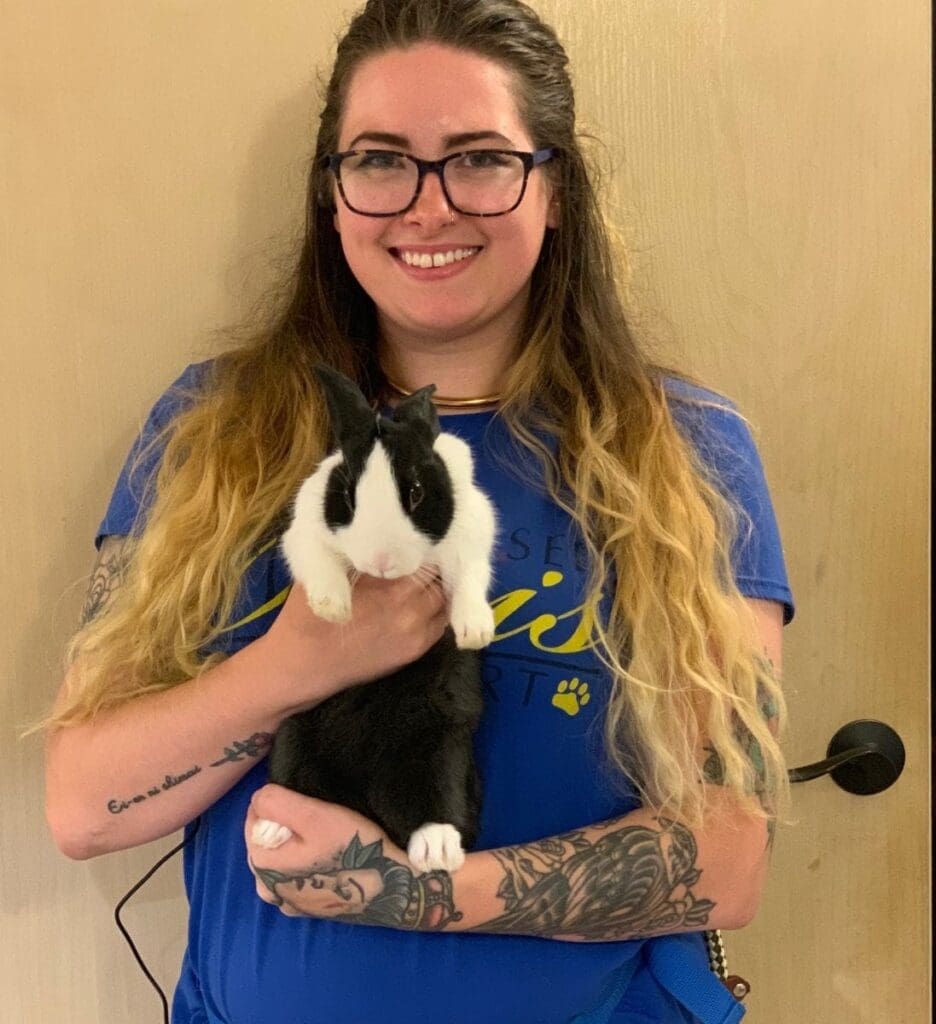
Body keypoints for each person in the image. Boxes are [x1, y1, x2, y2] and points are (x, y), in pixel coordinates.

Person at [41, 1, 796, 1021]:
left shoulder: (689, 452)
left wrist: (413, 890)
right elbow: (83, 804)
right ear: (333, 194)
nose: (428, 207)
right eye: (382, 160)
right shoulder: (215, 430)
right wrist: (302, 661)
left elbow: (729, 860)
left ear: (555, 188)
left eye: (480, 159)